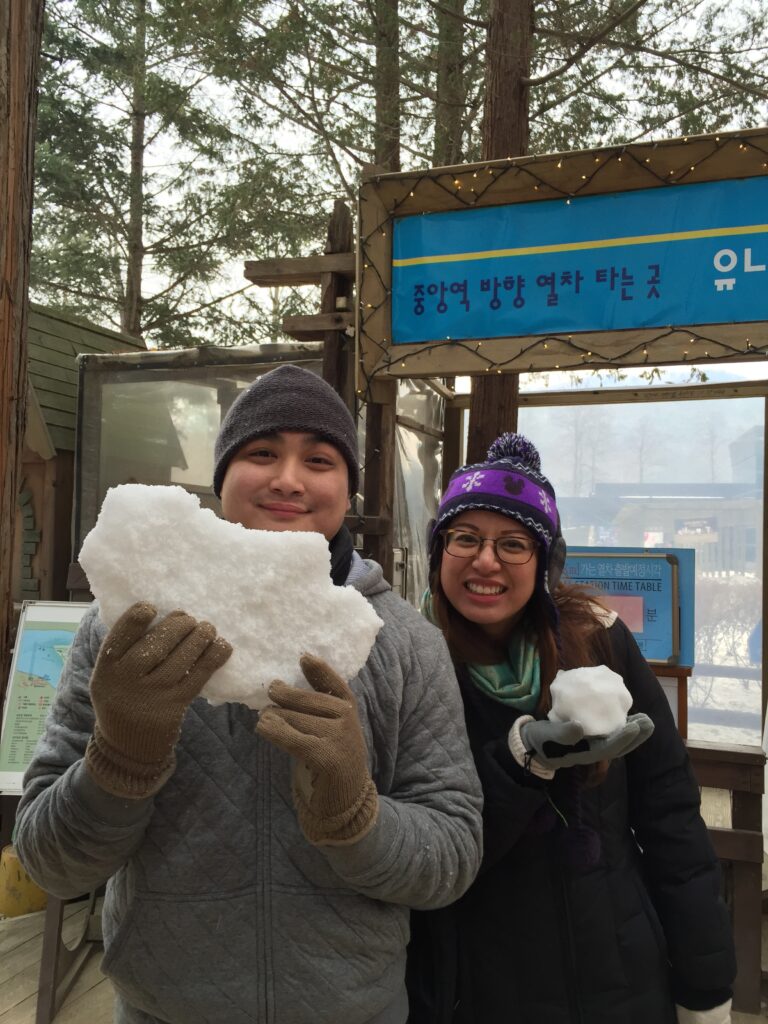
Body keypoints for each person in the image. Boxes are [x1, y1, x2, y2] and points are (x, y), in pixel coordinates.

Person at [15, 364, 483, 1024]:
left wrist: (356, 812)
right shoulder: (129, 627)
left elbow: (453, 858)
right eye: (262, 453)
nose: (288, 478)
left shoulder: (403, 642)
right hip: (161, 1012)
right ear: (223, 477)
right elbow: (50, 864)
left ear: (348, 487)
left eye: (319, 459)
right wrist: (120, 758)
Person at [406, 432, 736, 1024]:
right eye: (465, 538)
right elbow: (422, 843)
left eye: (513, 544)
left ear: (545, 562)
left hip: (616, 969)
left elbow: (671, 819)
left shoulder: (599, 641)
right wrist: (520, 762)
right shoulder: (411, 658)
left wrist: (705, 983)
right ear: (438, 553)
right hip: (476, 980)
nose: (486, 561)